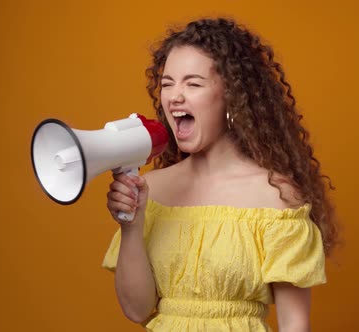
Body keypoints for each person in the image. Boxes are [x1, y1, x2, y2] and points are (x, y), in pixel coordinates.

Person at [102, 17, 339, 332]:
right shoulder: (151, 189)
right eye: (168, 83)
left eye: (193, 83)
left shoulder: (277, 198)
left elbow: (295, 325)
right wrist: (131, 226)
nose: (174, 96)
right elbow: (136, 309)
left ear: (232, 96)